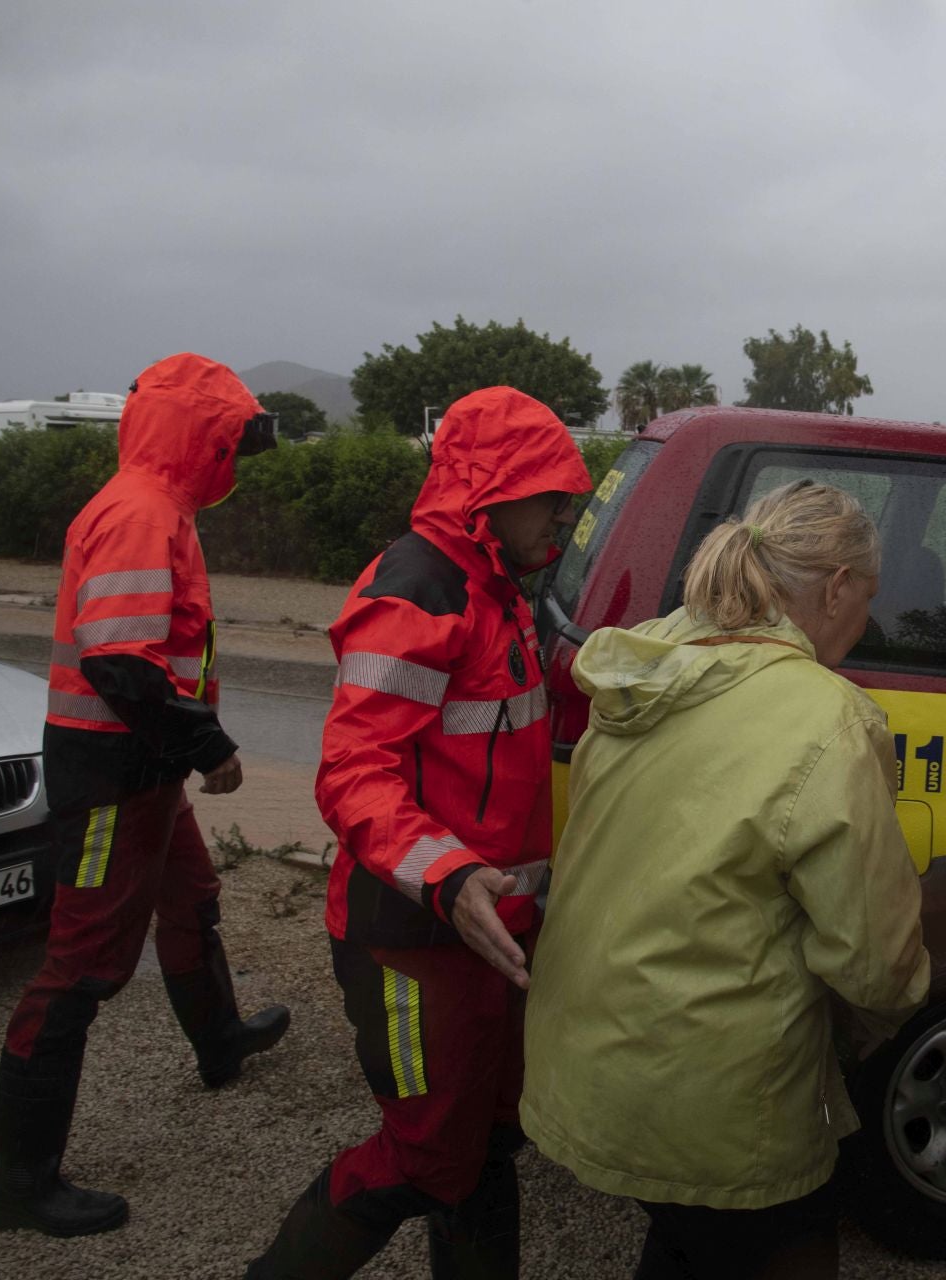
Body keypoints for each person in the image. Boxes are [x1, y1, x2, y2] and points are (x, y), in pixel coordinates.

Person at [521, 481, 931, 1280]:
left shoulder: (643, 663)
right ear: (838, 586)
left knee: (684, 1238)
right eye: (869, 595)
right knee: (775, 1246)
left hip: (589, 1063)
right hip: (716, 1105)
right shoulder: (830, 718)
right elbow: (874, 965)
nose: (868, 619)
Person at [246, 386, 590, 1279]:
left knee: (491, 1137)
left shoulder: (495, 582)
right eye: (548, 491)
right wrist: (449, 876)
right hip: (412, 937)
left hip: (487, 928)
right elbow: (353, 772)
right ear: (490, 492)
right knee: (427, 1158)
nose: (564, 508)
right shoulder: (420, 591)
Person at [0, 352, 290, 1237]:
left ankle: (220, 1045)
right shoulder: (140, 512)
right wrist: (210, 747)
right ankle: (23, 1182)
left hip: (140, 766)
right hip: (111, 771)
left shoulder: (163, 508)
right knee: (81, 967)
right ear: (201, 438)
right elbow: (118, 660)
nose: (240, 459)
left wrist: (183, 750)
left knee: (191, 899)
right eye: (234, 441)